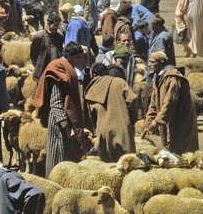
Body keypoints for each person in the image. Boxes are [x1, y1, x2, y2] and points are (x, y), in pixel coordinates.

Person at [34, 42, 92, 176]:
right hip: (59, 122)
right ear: (69, 56)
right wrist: (67, 127)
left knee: (66, 155)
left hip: (65, 121)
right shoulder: (59, 70)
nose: (80, 60)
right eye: (77, 57)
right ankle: (54, 184)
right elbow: (56, 102)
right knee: (57, 155)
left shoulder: (68, 69)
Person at [141, 51, 199, 154]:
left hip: (181, 121)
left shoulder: (172, 77)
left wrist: (157, 121)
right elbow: (153, 104)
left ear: (162, 62)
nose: (149, 65)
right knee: (170, 148)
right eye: (149, 62)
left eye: (152, 62)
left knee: (182, 151)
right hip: (168, 119)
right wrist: (148, 123)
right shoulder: (158, 78)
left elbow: (170, 102)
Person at [85, 64, 137, 162]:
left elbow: (92, 114)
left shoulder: (91, 89)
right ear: (106, 72)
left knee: (108, 164)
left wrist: (96, 130)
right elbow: (132, 99)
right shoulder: (119, 82)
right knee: (127, 162)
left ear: (94, 74)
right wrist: (131, 119)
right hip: (122, 128)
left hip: (103, 129)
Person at [30, 12, 63, 82]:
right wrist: (39, 65)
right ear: (48, 23)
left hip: (55, 72)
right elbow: (33, 54)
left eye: (58, 25)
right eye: (55, 25)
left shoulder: (59, 37)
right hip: (41, 72)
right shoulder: (39, 37)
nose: (57, 27)